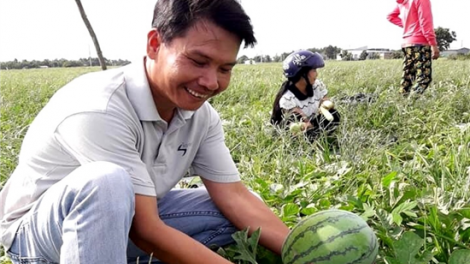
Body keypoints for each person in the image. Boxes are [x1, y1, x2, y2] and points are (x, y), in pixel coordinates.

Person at [0, 0, 290, 263]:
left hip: (126, 220)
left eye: (225, 69)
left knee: (244, 214)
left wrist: (307, 253)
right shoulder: (100, 107)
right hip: (36, 235)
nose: (211, 82)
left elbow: (235, 197)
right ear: (154, 44)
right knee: (107, 182)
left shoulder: (201, 116)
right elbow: (146, 230)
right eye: (198, 61)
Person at [270, 50, 340, 142]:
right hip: (299, 125)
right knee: (305, 133)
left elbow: (325, 101)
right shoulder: (287, 99)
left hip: (312, 120)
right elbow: (302, 123)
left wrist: (325, 106)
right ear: (301, 73)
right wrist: (310, 125)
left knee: (334, 114)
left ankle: (320, 135)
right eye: (314, 70)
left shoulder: (317, 85)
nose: (317, 74)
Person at [387, 0, 440, 95]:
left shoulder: (404, 1)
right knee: (424, 78)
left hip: (407, 44)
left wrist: (409, 26)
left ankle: (401, 102)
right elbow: (426, 23)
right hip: (420, 44)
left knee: (407, 78)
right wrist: (433, 44)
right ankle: (410, 102)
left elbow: (390, 17)